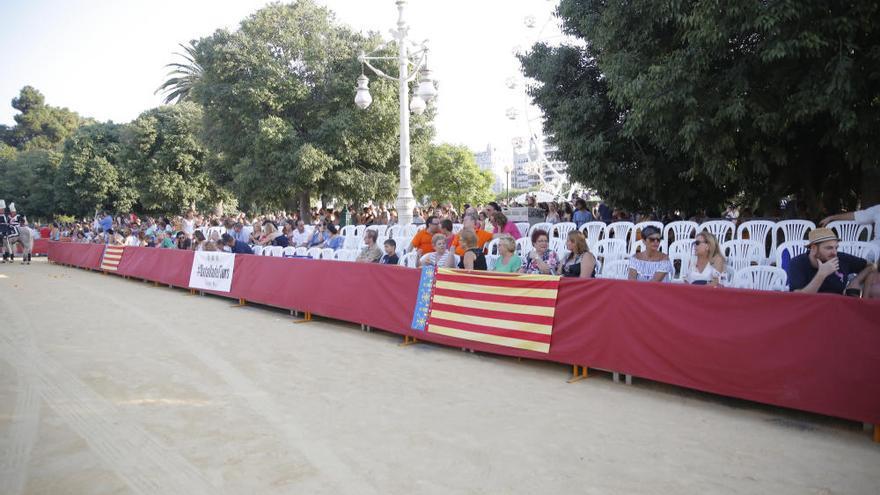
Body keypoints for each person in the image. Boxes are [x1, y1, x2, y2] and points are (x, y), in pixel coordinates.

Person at [787, 228, 875, 294]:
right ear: (814, 248)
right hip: (809, 311)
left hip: (835, 309)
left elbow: (872, 266)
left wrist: (855, 281)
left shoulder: (841, 258)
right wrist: (821, 275)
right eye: (829, 248)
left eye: (836, 248)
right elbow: (799, 298)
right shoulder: (797, 263)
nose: (834, 252)